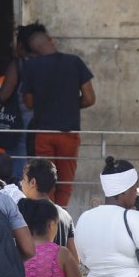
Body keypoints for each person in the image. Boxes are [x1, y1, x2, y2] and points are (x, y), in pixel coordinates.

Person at [20, 30, 96, 206]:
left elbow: (29, 102)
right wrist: (71, 104)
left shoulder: (31, 66)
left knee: (45, 181)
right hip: (68, 133)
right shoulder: (74, 62)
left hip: (43, 133)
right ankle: (60, 220)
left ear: (33, 50)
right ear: (51, 41)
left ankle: (48, 219)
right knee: (64, 183)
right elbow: (90, 98)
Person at [0, 23, 46, 186]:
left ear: (22, 45)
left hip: (23, 126)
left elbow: (3, 95)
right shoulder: (49, 64)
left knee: (19, 172)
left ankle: (20, 205)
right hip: (46, 126)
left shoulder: (19, 65)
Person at [20, 158, 78, 257]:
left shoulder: (24, 212)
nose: (21, 183)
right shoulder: (65, 215)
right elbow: (75, 258)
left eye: (24, 179)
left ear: (33, 182)